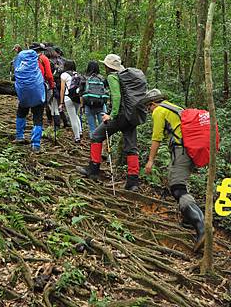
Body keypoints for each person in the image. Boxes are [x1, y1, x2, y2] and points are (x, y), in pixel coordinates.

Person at [142, 89, 205, 251]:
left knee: (178, 188)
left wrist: (150, 160)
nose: (149, 111)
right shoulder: (174, 108)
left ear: (153, 103)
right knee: (178, 184)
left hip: (181, 151)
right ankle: (187, 220)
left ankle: (201, 227)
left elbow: (156, 138)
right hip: (190, 150)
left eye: (148, 108)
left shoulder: (159, 111)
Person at [78, 54, 147, 191]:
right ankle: (133, 182)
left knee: (96, 136)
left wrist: (111, 115)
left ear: (108, 66)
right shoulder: (127, 77)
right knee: (131, 147)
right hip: (131, 116)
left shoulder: (113, 77)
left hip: (120, 116)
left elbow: (116, 96)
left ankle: (93, 169)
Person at [13, 49, 46, 152]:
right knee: (38, 118)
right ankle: (35, 144)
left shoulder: (19, 68)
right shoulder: (37, 64)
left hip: (24, 96)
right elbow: (46, 75)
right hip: (38, 95)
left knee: (21, 113)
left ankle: (19, 136)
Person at [80, 61, 108, 137]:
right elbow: (105, 91)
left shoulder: (84, 78)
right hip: (101, 105)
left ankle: (94, 146)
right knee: (103, 127)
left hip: (88, 105)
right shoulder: (102, 78)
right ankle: (102, 145)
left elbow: (81, 93)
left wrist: (82, 105)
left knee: (92, 128)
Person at [59, 60, 83, 143]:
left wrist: (61, 103)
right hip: (77, 97)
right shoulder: (78, 74)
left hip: (68, 97)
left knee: (72, 117)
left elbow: (62, 89)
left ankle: (77, 137)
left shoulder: (64, 75)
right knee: (75, 114)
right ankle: (80, 131)